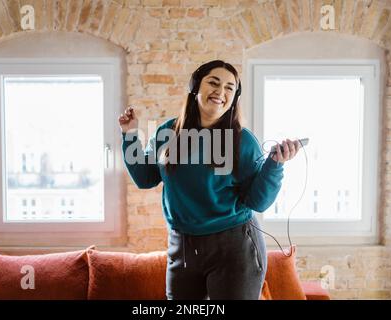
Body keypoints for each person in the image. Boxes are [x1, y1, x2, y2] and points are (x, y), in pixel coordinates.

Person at [118, 60, 300, 300]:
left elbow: (258, 202)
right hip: (181, 247)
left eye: (229, 88)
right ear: (195, 87)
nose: (220, 92)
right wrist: (129, 135)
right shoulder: (167, 133)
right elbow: (145, 178)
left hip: (234, 248)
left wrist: (275, 165)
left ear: (234, 97)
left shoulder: (243, 140)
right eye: (213, 83)